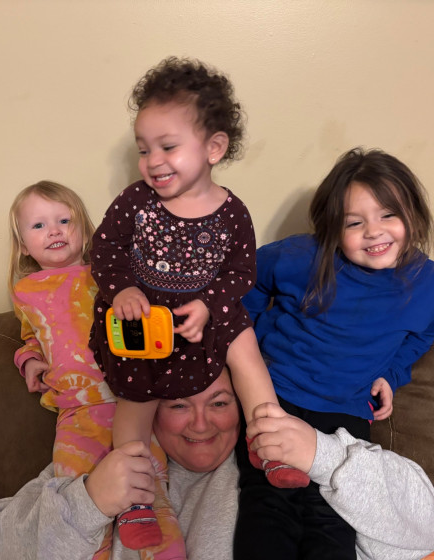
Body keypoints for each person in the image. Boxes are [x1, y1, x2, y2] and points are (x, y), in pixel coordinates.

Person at [89, 57, 305, 550]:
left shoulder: (232, 212)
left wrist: (210, 303)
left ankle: (270, 443)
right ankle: (135, 496)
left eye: (167, 147)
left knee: (247, 353)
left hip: (208, 313)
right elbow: (105, 249)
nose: (153, 161)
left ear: (213, 148)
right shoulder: (135, 201)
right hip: (144, 319)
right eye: (144, 149)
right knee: (136, 402)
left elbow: (241, 273)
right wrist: (122, 290)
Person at [0, 368, 434, 560]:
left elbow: (424, 530)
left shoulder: (289, 463)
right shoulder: (99, 461)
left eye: (219, 403)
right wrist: (89, 501)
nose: (201, 424)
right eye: (178, 405)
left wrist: (324, 455)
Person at [235, 147, 434, 559]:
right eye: (355, 222)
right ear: (333, 230)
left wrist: (392, 373)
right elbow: (247, 283)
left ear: (415, 215)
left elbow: (426, 334)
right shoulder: (302, 256)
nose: (374, 231)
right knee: (268, 504)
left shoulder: (430, 285)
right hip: (275, 395)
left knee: (332, 514)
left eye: (388, 215)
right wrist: (253, 344)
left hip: (346, 412)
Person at [8, 181, 184, 560]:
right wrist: (30, 360)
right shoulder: (25, 292)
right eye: (38, 225)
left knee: (149, 490)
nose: (54, 231)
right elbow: (31, 335)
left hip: (132, 403)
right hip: (76, 413)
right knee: (78, 498)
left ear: (85, 230)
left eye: (64, 220)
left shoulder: (106, 275)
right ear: (23, 245)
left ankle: (163, 549)